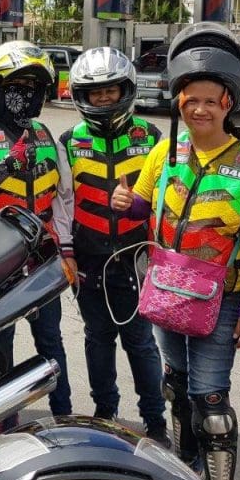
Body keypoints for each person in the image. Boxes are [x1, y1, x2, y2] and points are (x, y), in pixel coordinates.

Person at [110, 23, 240, 480]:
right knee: (175, 383)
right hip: (164, 288)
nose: (199, 108)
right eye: (190, 98)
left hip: (221, 298)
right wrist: (126, 201)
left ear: (229, 102)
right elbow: (144, 208)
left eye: (211, 99)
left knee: (210, 399)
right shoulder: (165, 151)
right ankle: (183, 467)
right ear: (177, 100)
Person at [0, 39, 74, 417]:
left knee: (50, 341)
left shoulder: (45, 136)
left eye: (32, 89)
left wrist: (67, 252)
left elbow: (61, 198)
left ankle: (62, 414)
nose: (24, 97)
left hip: (40, 258)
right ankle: (2, 424)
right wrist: (6, 166)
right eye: (14, 88)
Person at [58, 47, 167, 442]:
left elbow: (165, 199)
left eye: (111, 90)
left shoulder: (151, 137)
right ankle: (105, 410)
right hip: (89, 260)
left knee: (140, 341)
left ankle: (155, 419)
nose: (104, 99)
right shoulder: (69, 141)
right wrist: (65, 253)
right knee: (97, 337)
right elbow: (61, 203)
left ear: (127, 90)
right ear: (81, 97)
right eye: (95, 92)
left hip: (135, 259)